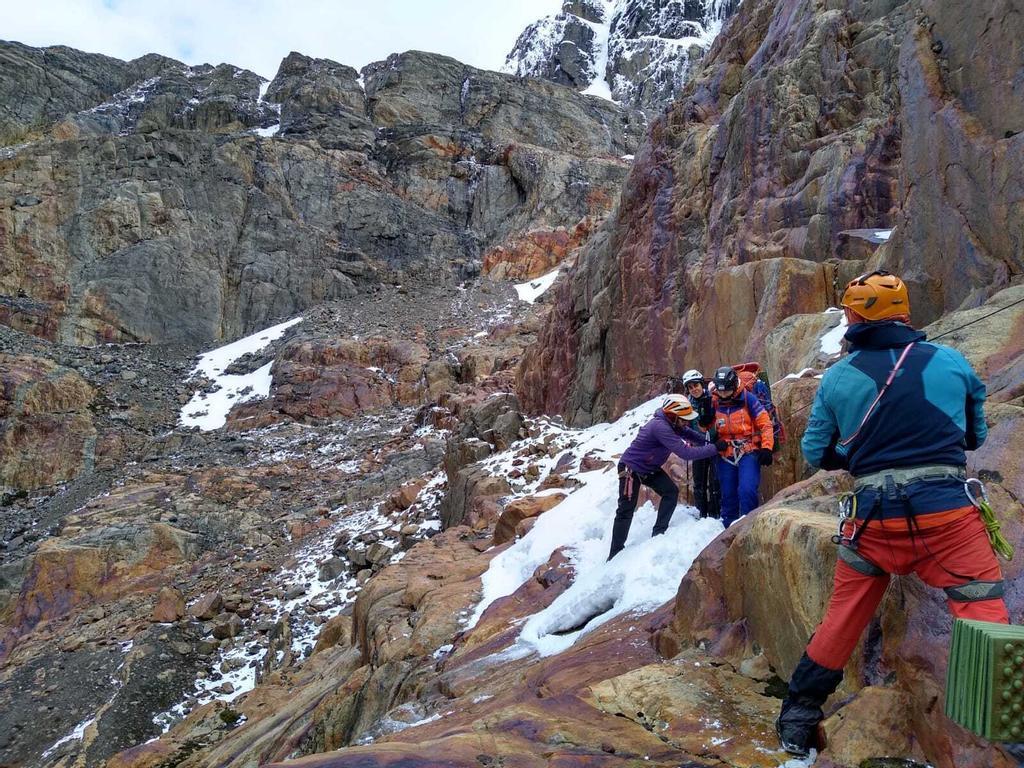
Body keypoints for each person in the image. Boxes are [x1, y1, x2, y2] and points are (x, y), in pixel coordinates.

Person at [775, 270, 1010, 757]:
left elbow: (818, 450)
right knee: (982, 608)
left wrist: (859, 457)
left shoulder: (840, 376)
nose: (845, 317)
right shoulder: (950, 362)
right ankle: (1007, 732)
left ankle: (798, 715)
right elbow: (974, 436)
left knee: (843, 618)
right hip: (949, 519)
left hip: (872, 523)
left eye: (849, 311)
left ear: (860, 316)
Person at [609, 395, 725, 560]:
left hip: (649, 468)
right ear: (673, 415)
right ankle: (614, 554)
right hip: (631, 469)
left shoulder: (673, 423)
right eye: (684, 419)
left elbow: (690, 435)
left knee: (671, 492)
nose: (686, 422)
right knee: (626, 510)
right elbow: (685, 452)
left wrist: (709, 442)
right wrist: (714, 448)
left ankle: (659, 533)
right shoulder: (660, 427)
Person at [710, 366, 775, 528]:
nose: (723, 395)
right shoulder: (714, 401)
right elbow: (707, 427)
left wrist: (767, 447)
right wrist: (711, 436)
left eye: (726, 391)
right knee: (728, 495)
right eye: (720, 391)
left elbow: (765, 424)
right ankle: (728, 531)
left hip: (748, 451)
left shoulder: (748, 399)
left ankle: (749, 527)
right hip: (725, 453)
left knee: (747, 491)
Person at [680, 369, 720, 519]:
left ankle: (717, 512)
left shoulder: (713, 398)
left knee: (716, 480)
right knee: (699, 481)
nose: (694, 389)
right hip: (698, 446)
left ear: (701, 384)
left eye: (696, 385)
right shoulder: (687, 405)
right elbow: (685, 426)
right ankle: (701, 513)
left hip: (715, 443)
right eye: (690, 387)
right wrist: (689, 440)